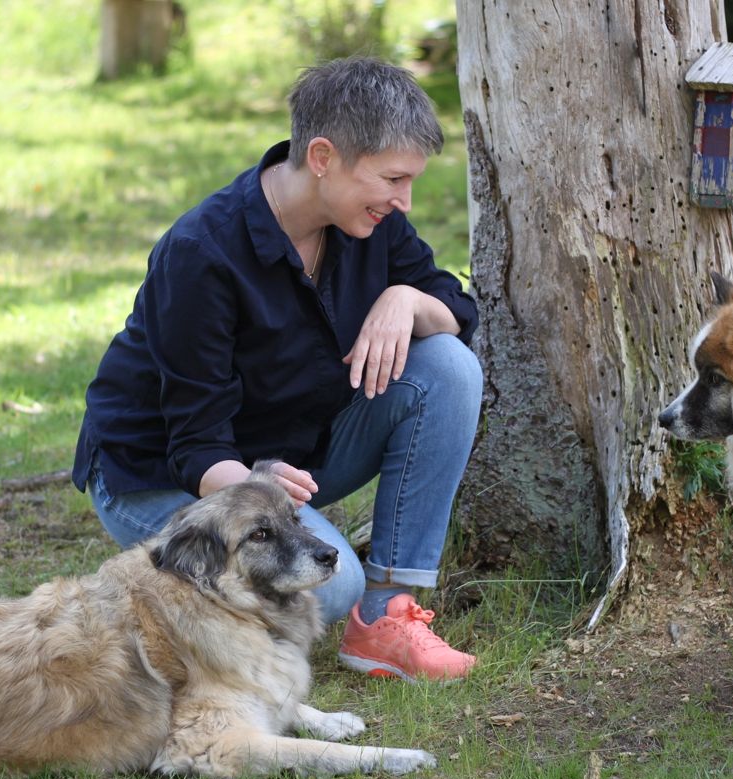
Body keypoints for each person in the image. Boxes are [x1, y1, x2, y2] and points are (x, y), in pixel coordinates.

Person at [71, 57, 481, 682]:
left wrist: (407, 298)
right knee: (328, 583)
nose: (404, 200)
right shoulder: (200, 252)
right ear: (323, 157)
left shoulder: (374, 225)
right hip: (164, 471)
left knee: (448, 366)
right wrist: (286, 526)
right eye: (393, 178)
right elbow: (197, 446)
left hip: (287, 454)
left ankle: (388, 617)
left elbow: (457, 310)